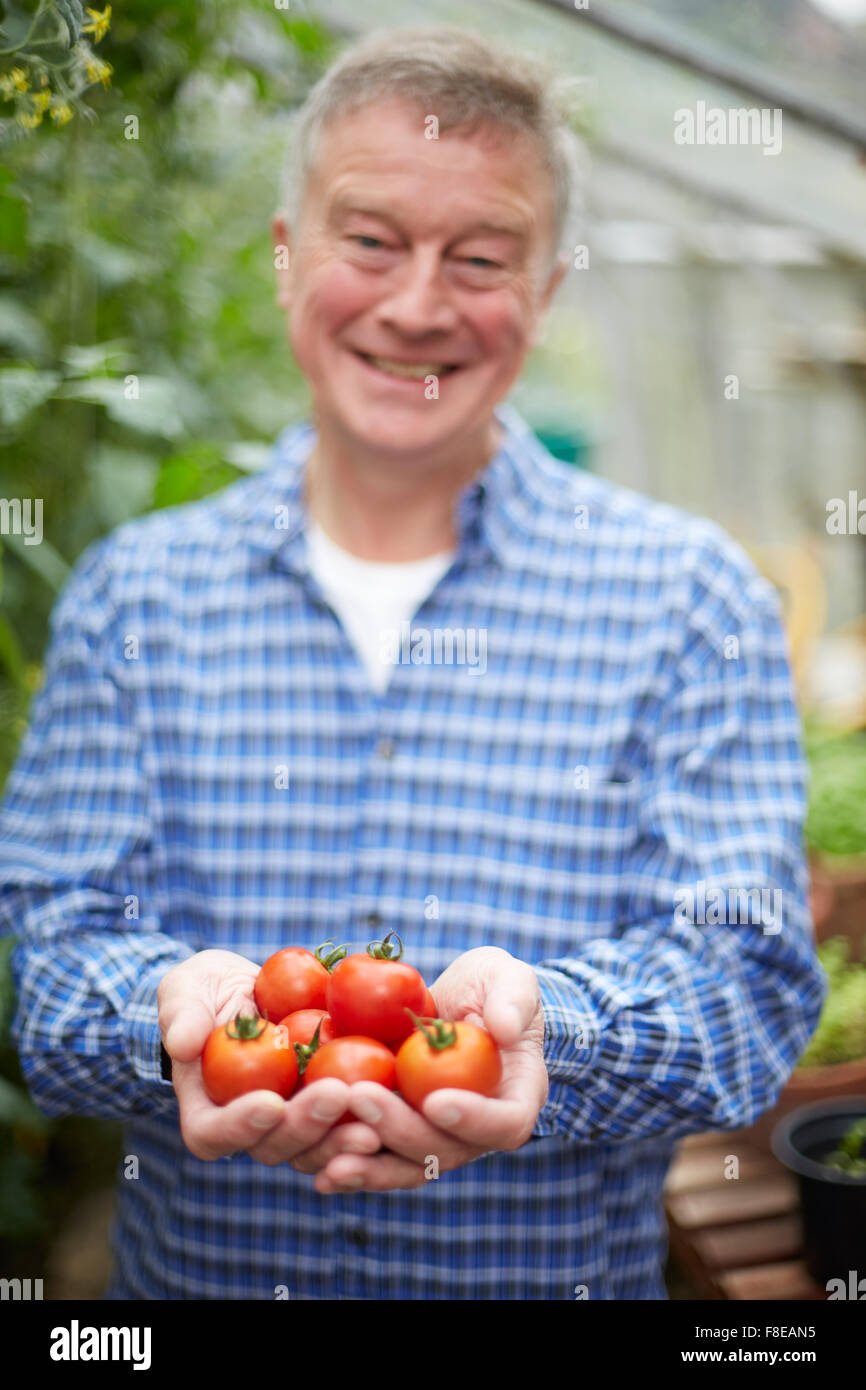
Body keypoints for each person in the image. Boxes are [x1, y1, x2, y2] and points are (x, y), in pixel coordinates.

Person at [0, 26, 827, 1301]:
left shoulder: (687, 601)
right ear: (287, 258)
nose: (416, 303)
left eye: (480, 257)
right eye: (370, 240)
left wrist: (548, 1027)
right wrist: (166, 1018)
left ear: (545, 291)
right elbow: (49, 953)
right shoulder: (138, 600)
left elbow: (748, 980)